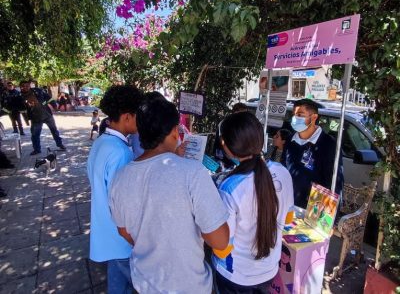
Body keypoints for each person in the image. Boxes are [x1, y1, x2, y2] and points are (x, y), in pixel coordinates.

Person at [109, 98, 229, 293]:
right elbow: (220, 241)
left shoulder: (120, 177)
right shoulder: (192, 172)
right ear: (175, 131)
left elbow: (123, 231)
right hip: (189, 286)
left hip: (144, 282)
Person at [212, 111, 294, 293]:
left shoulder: (229, 187)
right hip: (269, 271)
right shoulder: (283, 172)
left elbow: (223, 247)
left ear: (226, 146)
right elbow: (288, 219)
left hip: (236, 276)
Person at [87, 85, 143, 294]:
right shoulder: (120, 153)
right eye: (138, 115)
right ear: (128, 117)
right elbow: (123, 203)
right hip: (121, 238)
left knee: (117, 285)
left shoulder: (101, 142)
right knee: (140, 284)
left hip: (107, 233)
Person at [282, 98, 344, 208]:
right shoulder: (290, 140)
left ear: (314, 117)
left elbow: (334, 181)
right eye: (294, 115)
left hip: (313, 208)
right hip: (288, 202)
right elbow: (283, 168)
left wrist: (329, 212)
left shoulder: (328, 144)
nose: (295, 119)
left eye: (300, 115)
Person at [20, 81, 65, 155]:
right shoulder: (20, 96)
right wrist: (26, 120)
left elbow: (48, 98)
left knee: (54, 131)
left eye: (27, 86)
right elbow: (22, 109)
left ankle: (60, 144)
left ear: (29, 86)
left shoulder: (37, 90)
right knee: (35, 134)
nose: (25, 87)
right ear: (21, 87)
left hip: (47, 115)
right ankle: (37, 149)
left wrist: (54, 105)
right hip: (35, 118)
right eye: (23, 86)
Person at [213, 102, 248, 170]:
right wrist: (232, 155)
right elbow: (222, 141)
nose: (244, 116)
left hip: (233, 158)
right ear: (235, 112)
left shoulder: (239, 124)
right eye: (243, 114)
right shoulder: (224, 123)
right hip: (222, 157)